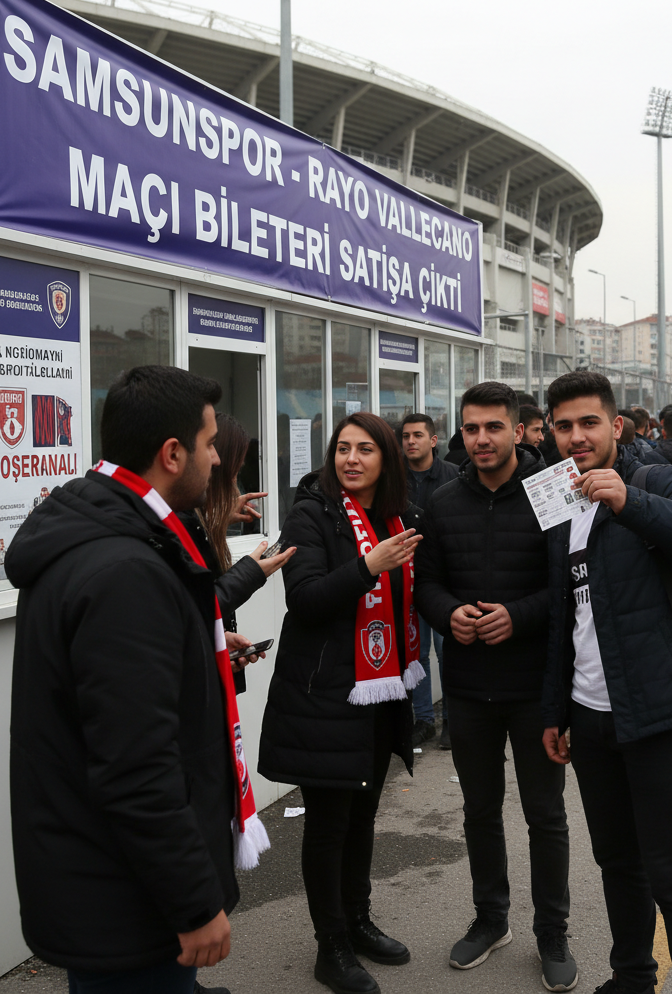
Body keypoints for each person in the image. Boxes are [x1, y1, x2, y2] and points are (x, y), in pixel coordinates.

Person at [7, 365, 261, 994]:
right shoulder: (123, 568)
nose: (216, 460)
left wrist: (196, 652)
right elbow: (135, 766)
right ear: (172, 454)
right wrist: (195, 903)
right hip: (127, 902)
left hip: (109, 884)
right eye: (209, 445)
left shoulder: (110, 533)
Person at [540, 370, 672, 994]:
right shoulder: (557, 502)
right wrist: (556, 711)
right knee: (618, 863)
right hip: (590, 716)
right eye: (564, 426)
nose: (577, 436)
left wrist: (629, 501)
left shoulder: (655, 478)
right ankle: (631, 977)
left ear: (616, 425)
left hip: (661, 709)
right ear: (550, 432)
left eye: (589, 422)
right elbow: (564, 618)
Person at [415, 382, 575, 992]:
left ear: (518, 429)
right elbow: (426, 583)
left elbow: (570, 584)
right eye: (471, 428)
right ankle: (491, 919)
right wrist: (447, 614)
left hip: (536, 687)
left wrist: (519, 615)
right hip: (468, 687)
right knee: (479, 811)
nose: (481, 439)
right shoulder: (444, 501)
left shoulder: (553, 491)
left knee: (545, 815)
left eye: (493, 427)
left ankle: (552, 931)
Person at [259, 412, 423, 994]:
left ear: (387, 459)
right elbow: (305, 599)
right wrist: (367, 567)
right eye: (343, 448)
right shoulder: (311, 513)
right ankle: (330, 947)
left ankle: (357, 921)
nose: (351, 459)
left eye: (365, 449)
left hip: (382, 691)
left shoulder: (400, 515)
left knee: (363, 816)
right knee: (329, 826)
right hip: (325, 694)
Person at [181, 412, 296, 694]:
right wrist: (252, 573)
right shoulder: (177, 525)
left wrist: (216, 517)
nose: (235, 482)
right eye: (234, 471)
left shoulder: (195, 520)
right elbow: (193, 608)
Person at [400, 412, 459, 748]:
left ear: (433, 440)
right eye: (406, 436)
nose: (411, 441)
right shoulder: (394, 478)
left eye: (418, 435)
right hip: (405, 577)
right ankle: (423, 720)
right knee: (415, 654)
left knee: (447, 650)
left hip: (444, 579)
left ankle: (451, 720)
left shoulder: (453, 475)